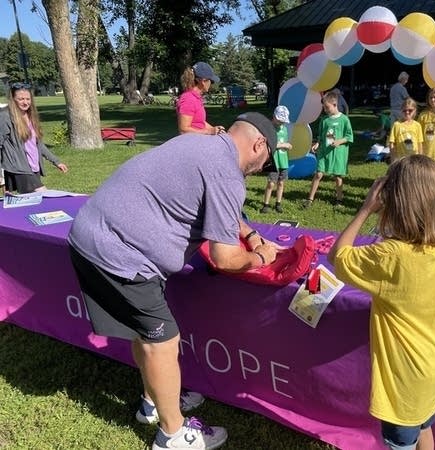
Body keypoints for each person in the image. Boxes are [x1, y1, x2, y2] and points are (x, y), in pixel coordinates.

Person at [68, 112, 279, 450]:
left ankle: (154, 400)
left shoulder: (200, 144)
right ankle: (173, 435)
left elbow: (218, 207)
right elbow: (226, 259)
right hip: (120, 255)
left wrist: (252, 234)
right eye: (266, 160)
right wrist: (260, 257)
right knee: (163, 341)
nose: (260, 168)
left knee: (145, 332)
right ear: (258, 145)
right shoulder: (227, 172)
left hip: (89, 235)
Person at [328, 154, 435, 450]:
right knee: (425, 427)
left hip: (403, 382)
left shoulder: (390, 255)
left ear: (393, 202)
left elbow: (337, 257)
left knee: (400, 443)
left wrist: (366, 209)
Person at [0, 82, 68, 194]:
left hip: (33, 166)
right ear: (13, 99)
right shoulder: (5, 117)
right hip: (18, 168)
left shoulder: (30, 115)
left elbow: (38, 144)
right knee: (44, 194)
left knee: (31, 202)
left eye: (28, 99)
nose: (25, 102)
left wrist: (56, 162)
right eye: (21, 99)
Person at [303, 91, 353, 209]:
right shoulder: (324, 120)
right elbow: (321, 135)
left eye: (327, 107)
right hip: (324, 152)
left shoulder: (344, 120)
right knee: (318, 174)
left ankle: (339, 199)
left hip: (338, 154)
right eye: (324, 108)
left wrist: (339, 141)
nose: (325, 110)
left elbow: (349, 136)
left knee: (337, 176)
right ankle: (310, 199)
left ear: (335, 104)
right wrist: (317, 144)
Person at [177, 61, 225, 135]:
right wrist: (209, 131)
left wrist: (214, 129)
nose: (211, 84)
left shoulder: (196, 98)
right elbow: (183, 129)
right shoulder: (188, 99)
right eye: (211, 81)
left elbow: (200, 122)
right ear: (203, 81)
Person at [260, 105, 292, 214]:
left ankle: (278, 203)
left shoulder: (284, 129)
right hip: (273, 161)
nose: (282, 123)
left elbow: (285, 142)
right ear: (274, 117)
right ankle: (266, 204)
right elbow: (269, 144)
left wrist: (287, 146)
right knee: (271, 183)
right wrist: (283, 144)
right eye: (280, 121)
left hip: (283, 160)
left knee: (281, 182)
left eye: (283, 122)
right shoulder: (269, 128)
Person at [388, 97, 423, 164]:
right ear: (401, 110)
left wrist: (420, 158)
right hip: (400, 159)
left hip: (414, 159)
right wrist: (393, 159)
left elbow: (419, 143)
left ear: (415, 110)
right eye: (404, 110)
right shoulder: (396, 125)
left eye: (410, 110)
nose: (407, 112)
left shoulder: (417, 125)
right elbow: (392, 143)